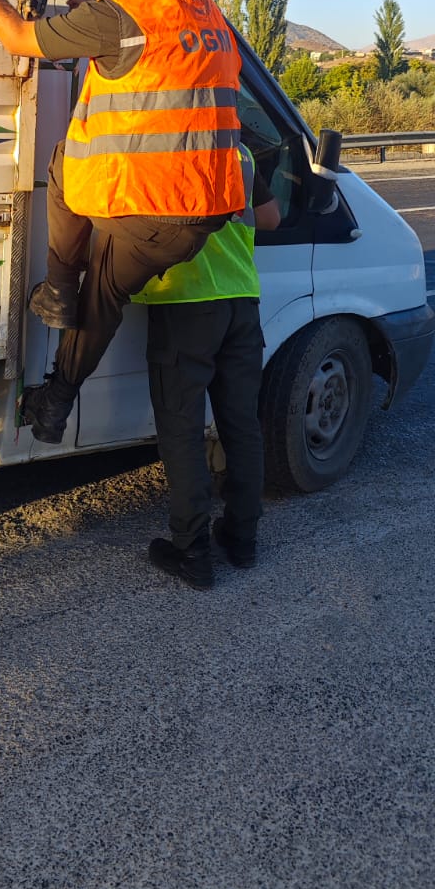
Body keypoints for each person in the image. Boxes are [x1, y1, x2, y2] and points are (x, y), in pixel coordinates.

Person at [0, 0, 246, 444]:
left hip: (148, 205)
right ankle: (55, 402)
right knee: (104, 295)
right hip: (202, 213)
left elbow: (17, 38)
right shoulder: (206, 9)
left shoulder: (118, 16)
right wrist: (87, 18)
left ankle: (59, 288)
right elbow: (154, 60)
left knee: (69, 161)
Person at [134, 144, 280, 590]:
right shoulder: (239, 153)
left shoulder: (157, 148)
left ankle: (192, 552)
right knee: (242, 426)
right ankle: (242, 540)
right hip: (242, 301)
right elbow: (271, 218)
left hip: (185, 304)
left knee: (182, 431)